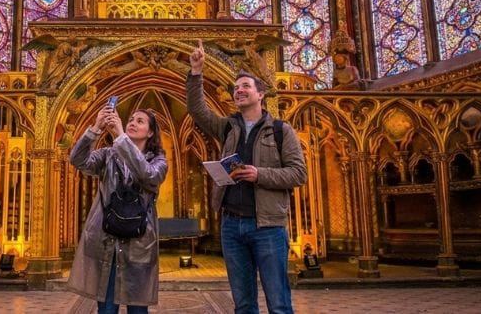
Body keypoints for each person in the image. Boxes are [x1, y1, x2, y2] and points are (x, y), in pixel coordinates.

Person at [186, 39, 307, 314]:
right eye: (236, 88)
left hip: (267, 226)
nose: (238, 91)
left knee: (278, 302)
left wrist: (258, 174)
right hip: (232, 224)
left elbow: (299, 173)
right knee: (243, 304)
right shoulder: (228, 127)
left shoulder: (280, 130)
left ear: (260, 94)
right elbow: (197, 110)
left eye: (245, 87)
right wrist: (196, 73)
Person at [67, 104, 168, 313]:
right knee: (106, 308)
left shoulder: (159, 161)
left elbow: (147, 175)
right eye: (130, 119)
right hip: (106, 240)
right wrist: (95, 128)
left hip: (139, 242)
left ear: (150, 132)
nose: (132, 123)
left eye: (139, 121)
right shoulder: (108, 155)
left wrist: (121, 136)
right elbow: (77, 160)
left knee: (138, 310)